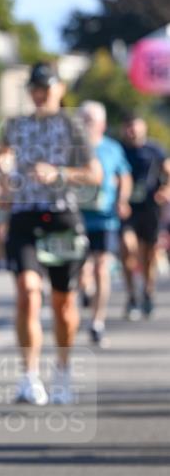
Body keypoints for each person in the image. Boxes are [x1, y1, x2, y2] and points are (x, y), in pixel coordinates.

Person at [0, 62, 102, 404]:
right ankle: (29, 377)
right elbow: (2, 156)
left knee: (63, 302)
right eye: (35, 89)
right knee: (27, 292)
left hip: (61, 217)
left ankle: (63, 372)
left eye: (46, 88)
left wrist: (59, 174)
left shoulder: (72, 125)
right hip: (25, 215)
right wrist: (3, 169)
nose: (39, 95)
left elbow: (94, 173)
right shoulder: (15, 125)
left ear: (59, 89)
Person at [76, 101, 132, 346]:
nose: (86, 124)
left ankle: (97, 322)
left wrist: (122, 200)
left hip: (104, 217)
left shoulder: (112, 148)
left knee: (101, 268)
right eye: (83, 119)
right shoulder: (72, 148)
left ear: (102, 124)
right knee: (81, 269)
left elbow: (125, 176)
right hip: (77, 216)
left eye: (91, 120)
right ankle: (85, 290)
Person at [119, 110, 170, 320]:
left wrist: (166, 190)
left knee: (149, 256)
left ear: (143, 127)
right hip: (127, 209)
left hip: (150, 208)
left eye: (135, 126)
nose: (132, 131)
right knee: (128, 249)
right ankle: (132, 295)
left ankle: (148, 292)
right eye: (128, 127)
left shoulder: (155, 149)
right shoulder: (119, 150)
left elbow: (168, 171)